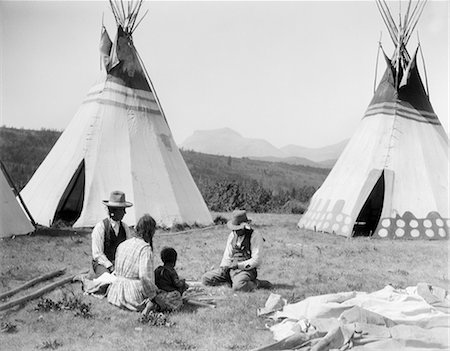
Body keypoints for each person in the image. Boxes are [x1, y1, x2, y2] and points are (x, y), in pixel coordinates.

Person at [107, 214, 183, 313]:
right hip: (132, 296)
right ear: (150, 232)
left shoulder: (123, 244)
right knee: (175, 297)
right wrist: (154, 296)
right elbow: (144, 277)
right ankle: (149, 306)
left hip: (116, 293)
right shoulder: (145, 249)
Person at [201, 209, 272, 292]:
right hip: (231, 269)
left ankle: (256, 283)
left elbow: (257, 260)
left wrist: (238, 265)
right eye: (234, 229)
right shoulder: (232, 235)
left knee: (239, 287)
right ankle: (232, 281)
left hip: (246, 270)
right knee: (205, 279)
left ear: (245, 226)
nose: (235, 231)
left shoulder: (255, 236)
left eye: (238, 229)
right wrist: (224, 266)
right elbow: (227, 254)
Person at [91, 190, 133, 278]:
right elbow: (97, 254)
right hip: (103, 264)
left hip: (119, 264)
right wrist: (110, 266)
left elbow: (129, 250)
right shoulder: (100, 227)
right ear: (112, 211)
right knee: (108, 280)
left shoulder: (125, 228)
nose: (125, 213)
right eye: (122, 210)